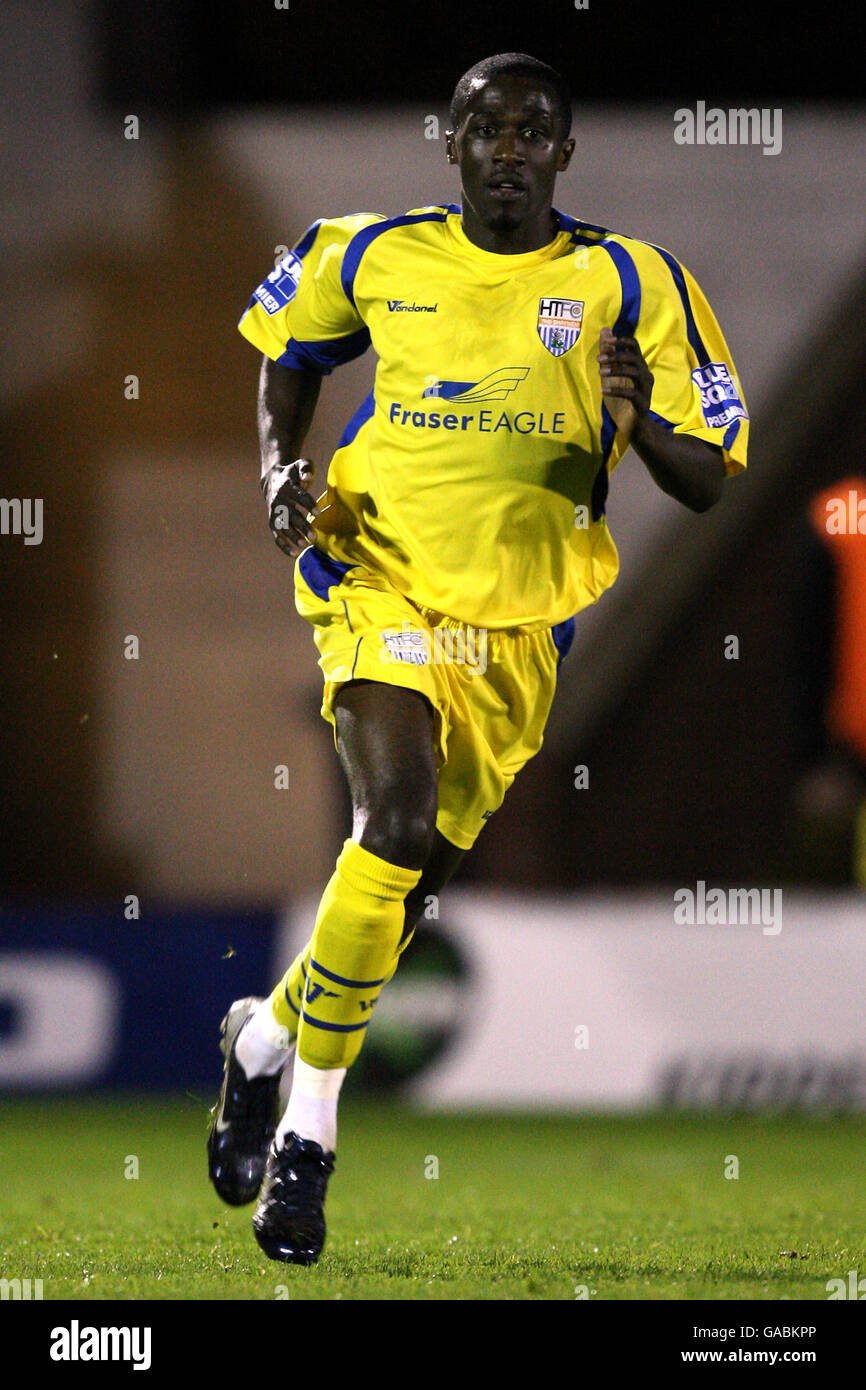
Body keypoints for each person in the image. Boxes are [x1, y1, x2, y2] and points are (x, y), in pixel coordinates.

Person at [208, 51, 749, 1264]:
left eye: (534, 132)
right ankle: (309, 1139)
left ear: (564, 151)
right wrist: (277, 475)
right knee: (390, 822)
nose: (508, 149)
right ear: (448, 139)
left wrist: (635, 422)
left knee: (403, 894)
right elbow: (288, 354)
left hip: (518, 623)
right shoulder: (368, 251)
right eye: (487, 128)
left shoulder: (632, 280)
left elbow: (708, 478)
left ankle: (257, 1040)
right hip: (376, 571)